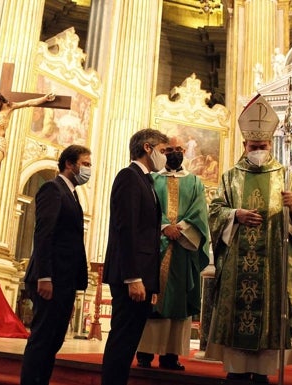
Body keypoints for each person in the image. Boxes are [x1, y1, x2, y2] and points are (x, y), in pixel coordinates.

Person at [206, 94, 292, 384]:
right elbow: (215, 211)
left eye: (263, 147)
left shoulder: (286, 177)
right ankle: (237, 371)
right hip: (237, 267)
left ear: (271, 145)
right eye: (253, 147)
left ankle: (263, 372)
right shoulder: (230, 177)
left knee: (268, 322)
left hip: (272, 269)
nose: (258, 151)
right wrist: (235, 215)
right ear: (244, 146)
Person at [135, 136, 210, 371]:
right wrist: (164, 226)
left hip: (182, 252)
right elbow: (145, 209)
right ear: (162, 152)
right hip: (154, 250)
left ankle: (170, 355)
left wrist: (182, 229)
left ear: (184, 153)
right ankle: (145, 352)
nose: (174, 153)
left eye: (178, 149)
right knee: (151, 301)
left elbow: (200, 211)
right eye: (169, 149)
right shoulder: (151, 179)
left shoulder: (196, 182)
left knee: (177, 302)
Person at [101, 128, 169, 385]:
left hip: (141, 276)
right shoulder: (128, 177)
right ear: (147, 148)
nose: (164, 156)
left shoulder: (146, 180)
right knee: (121, 340)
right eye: (162, 150)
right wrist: (132, 277)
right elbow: (125, 229)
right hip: (131, 276)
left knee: (129, 342)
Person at [19, 144, 92, 385]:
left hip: (65, 280)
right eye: (86, 164)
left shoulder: (71, 193)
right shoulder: (53, 188)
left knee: (54, 340)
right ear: (70, 164)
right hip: (51, 279)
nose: (88, 169)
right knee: (42, 339)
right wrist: (44, 276)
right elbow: (44, 234)